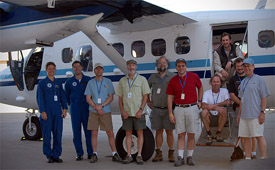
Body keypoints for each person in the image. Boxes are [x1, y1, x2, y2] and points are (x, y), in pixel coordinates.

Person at [166, 58, 203, 167]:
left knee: (191, 134)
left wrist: (200, 101)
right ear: (176, 67)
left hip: (192, 108)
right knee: (181, 134)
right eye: (179, 66)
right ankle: (180, 157)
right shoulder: (173, 80)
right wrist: (170, 113)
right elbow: (169, 98)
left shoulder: (193, 76)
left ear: (186, 66)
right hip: (179, 109)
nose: (181, 68)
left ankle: (190, 157)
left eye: (183, 65)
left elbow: (200, 88)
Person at [84, 63, 121, 163]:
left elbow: (111, 97)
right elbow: (88, 98)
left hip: (105, 111)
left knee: (110, 132)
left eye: (100, 69)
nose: (99, 71)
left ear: (103, 70)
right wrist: (96, 107)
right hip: (93, 111)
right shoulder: (90, 83)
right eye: (97, 69)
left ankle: (114, 153)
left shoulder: (108, 81)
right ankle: (94, 153)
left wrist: (102, 106)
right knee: (94, 132)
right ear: (94, 71)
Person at [116, 59, 151, 165]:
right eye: (130, 65)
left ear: (136, 67)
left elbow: (146, 95)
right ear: (127, 67)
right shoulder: (122, 81)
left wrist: (141, 110)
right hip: (127, 113)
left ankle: (139, 155)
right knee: (128, 133)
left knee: (140, 133)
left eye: (133, 65)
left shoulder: (142, 80)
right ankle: (129, 155)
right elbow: (120, 98)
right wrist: (122, 111)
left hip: (138, 112)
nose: (131, 67)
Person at [237, 58, 270, 160]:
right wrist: (239, 114)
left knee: (259, 136)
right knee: (246, 137)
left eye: (249, 66)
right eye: (245, 66)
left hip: (255, 114)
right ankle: (247, 157)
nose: (247, 68)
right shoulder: (243, 82)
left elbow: (264, 96)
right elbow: (242, 100)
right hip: (244, 116)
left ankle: (263, 158)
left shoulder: (259, 79)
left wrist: (262, 112)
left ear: (253, 67)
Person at [36, 62, 67, 163]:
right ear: (46, 70)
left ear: (55, 70)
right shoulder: (42, 83)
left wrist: (65, 109)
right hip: (47, 112)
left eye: (53, 68)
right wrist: (43, 111)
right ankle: (49, 155)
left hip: (57, 111)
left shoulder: (58, 83)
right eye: (49, 69)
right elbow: (40, 98)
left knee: (58, 134)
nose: (51, 70)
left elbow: (62, 96)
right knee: (47, 135)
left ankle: (56, 155)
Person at [147, 56, 176, 162]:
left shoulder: (173, 76)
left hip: (169, 110)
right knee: (158, 131)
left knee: (169, 132)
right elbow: (146, 90)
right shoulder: (153, 77)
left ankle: (171, 153)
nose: (162, 64)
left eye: (164, 63)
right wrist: (148, 102)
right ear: (157, 65)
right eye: (159, 63)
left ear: (167, 65)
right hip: (156, 109)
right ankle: (158, 153)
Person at [227, 58, 257, 158]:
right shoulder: (232, 79)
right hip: (238, 109)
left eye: (241, 66)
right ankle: (245, 153)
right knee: (242, 133)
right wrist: (242, 103)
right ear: (235, 68)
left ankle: (253, 153)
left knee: (252, 132)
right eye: (238, 66)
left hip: (252, 109)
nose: (240, 68)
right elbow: (232, 95)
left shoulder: (251, 78)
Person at [64, 61, 93, 161]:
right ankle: (79, 153)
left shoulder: (88, 80)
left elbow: (92, 94)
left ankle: (90, 152)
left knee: (88, 131)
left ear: (82, 67)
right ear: (73, 69)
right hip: (75, 108)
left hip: (86, 107)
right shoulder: (69, 82)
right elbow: (66, 96)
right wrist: (70, 105)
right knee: (76, 131)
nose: (77, 68)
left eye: (78, 66)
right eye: (75, 67)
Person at [201, 75, 231, 145]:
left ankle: (218, 133)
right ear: (211, 83)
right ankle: (209, 134)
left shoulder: (224, 91)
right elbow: (203, 105)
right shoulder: (207, 93)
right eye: (214, 82)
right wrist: (216, 108)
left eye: (218, 82)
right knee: (204, 112)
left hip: (220, 115)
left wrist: (214, 105)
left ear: (220, 83)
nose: (216, 83)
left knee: (224, 111)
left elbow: (228, 102)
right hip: (210, 116)